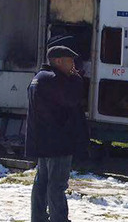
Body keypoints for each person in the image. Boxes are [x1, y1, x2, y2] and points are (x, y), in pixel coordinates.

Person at [26, 46, 88, 222]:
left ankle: (38, 218)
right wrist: (76, 79)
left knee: (42, 182)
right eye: (70, 60)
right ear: (58, 61)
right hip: (58, 143)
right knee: (56, 185)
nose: (73, 65)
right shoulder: (53, 79)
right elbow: (73, 98)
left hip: (44, 141)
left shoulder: (39, 78)